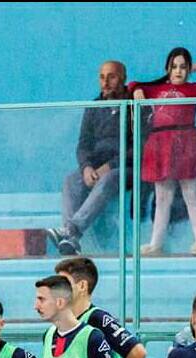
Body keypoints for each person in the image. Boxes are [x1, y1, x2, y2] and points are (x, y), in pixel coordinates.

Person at [129, 48, 196, 256]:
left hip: (186, 143)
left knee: (191, 194)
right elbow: (132, 85)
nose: (178, 71)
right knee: (163, 197)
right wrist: (136, 89)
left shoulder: (194, 90)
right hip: (160, 144)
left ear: (189, 70)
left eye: (183, 67)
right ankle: (156, 243)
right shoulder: (155, 90)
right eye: (174, 67)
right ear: (167, 68)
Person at [46, 60, 133, 256]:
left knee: (109, 178)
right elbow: (83, 144)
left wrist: (110, 166)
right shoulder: (94, 107)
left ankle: (71, 230)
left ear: (123, 78)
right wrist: (86, 167)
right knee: (71, 180)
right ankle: (72, 238)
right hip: (96, 167)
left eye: (112, 77)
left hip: (127, 169)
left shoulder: (134, 105)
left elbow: (140, 146)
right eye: (102, 77)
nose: (106, 82)